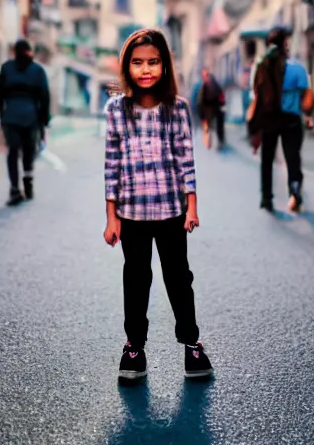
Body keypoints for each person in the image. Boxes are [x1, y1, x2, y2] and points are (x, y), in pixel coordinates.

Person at [104, 28, 213, 387]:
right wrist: (111, 217)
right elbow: (112, 165)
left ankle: (192, 344)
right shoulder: (116, 110)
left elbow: (186, 160)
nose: (146, 69)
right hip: (131, 215)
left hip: (171, 212)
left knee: (179, 278)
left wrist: (192, 206)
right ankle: (134, 348)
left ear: (165, 65)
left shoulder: (177, 109)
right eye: (138, 62)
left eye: (153, 61)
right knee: (136, 279)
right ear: (127, 67)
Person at [248, 27, 313, 214]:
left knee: (267, 159)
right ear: (285, 43)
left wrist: (254, 123)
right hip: (291, 119)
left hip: (269, 119)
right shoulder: (297, 69)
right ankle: (294, 191)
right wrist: (307, 115)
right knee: (292, 157)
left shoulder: (260, 66)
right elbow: (307, 98)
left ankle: (266, 198)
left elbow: (256, 96)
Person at [0, 38, 50, 206]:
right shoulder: (37, 70)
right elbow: (45, 96)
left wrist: (2, 116)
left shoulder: (6, 68)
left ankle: (14, 188)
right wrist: (44, 120)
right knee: (28, 151)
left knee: (13, 151)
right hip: (31, 116)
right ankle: (27, 183)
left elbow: (0, 95)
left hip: (11, 115)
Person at [193, 67, 226, 151]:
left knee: (217, 126)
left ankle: (219, 141)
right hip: (210, 110)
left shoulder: (212, 86)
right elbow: (199, 100)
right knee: (213, 126)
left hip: (214, 109)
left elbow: (221, 98)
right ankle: (215, 141)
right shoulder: (203, 86)